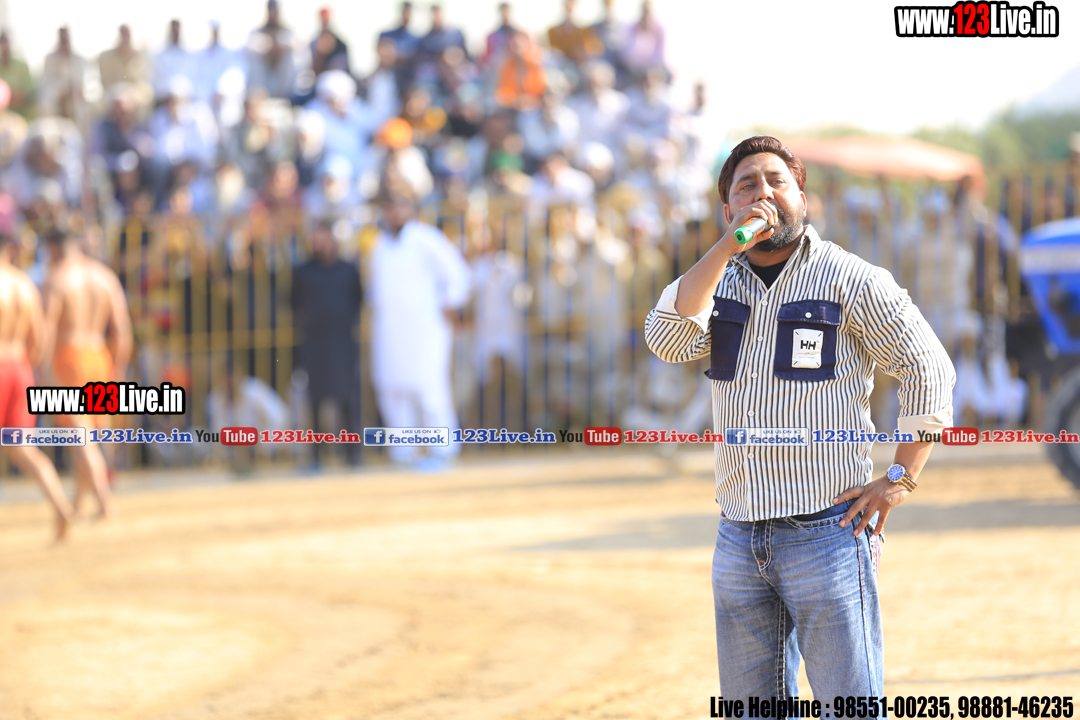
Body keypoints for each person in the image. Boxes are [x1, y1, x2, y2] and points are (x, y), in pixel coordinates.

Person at [643, 136, 956, 699]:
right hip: (739, 537)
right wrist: (725, 249)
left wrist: (899, 478)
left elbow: (928, 370)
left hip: (828, 534)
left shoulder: (851, 279)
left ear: (803, 200)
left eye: (777, 181)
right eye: (747, 186)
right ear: (728, 212)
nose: (763, 193)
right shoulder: (716, 282)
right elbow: (667, 339)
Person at [367, 192, 470, 469]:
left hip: (425, 328)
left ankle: (442, 450)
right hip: (389, 330)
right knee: (391, 389)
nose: (394, 213)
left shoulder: (426, 239)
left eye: (400, 207)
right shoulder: (380, 245)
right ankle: (403, 453)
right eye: (390, 208)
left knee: (429, 388)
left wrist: (450, 303)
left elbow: (458, 274)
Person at [41, 225, 134, 521]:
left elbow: (46, 331)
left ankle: (105, 503)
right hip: (99, 356)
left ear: (53, 249)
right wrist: (117, 368)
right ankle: (79, 503)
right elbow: (122, 330)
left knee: (80, 436)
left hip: (69, 357)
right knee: (90, 433)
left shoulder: (57, 279)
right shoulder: (105, 277)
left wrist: (42, 370)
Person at [0, 234, 76, 540]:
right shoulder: (25, 284)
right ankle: (60, 505)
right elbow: (40, 339)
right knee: (23, 446)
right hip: (21, 367)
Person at [291, 220, 363, 467]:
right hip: (314, 344)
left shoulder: (347, 270)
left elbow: (357, 299)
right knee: (314, 401)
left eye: (321, 237)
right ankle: (316, 456)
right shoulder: (303, 271)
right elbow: (293, 303)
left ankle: (352, 454)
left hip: (343, 342)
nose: (318, 243)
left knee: (347, 398)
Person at [99, 25, 153, 110]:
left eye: (127, 36)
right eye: (122, 35)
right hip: (112, 94)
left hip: (134, 96)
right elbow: (105, 82)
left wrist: (130, 94)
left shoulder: (139, 57)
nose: (125, 39)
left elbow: (141, 81)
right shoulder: (106, 57)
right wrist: (119, 93)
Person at [0, 31, 36, 118]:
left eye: (6, 43)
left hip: (22, 113)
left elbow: (30, 93)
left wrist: (19, 97)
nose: (4, 47)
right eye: (2, 43)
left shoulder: (22, 66)